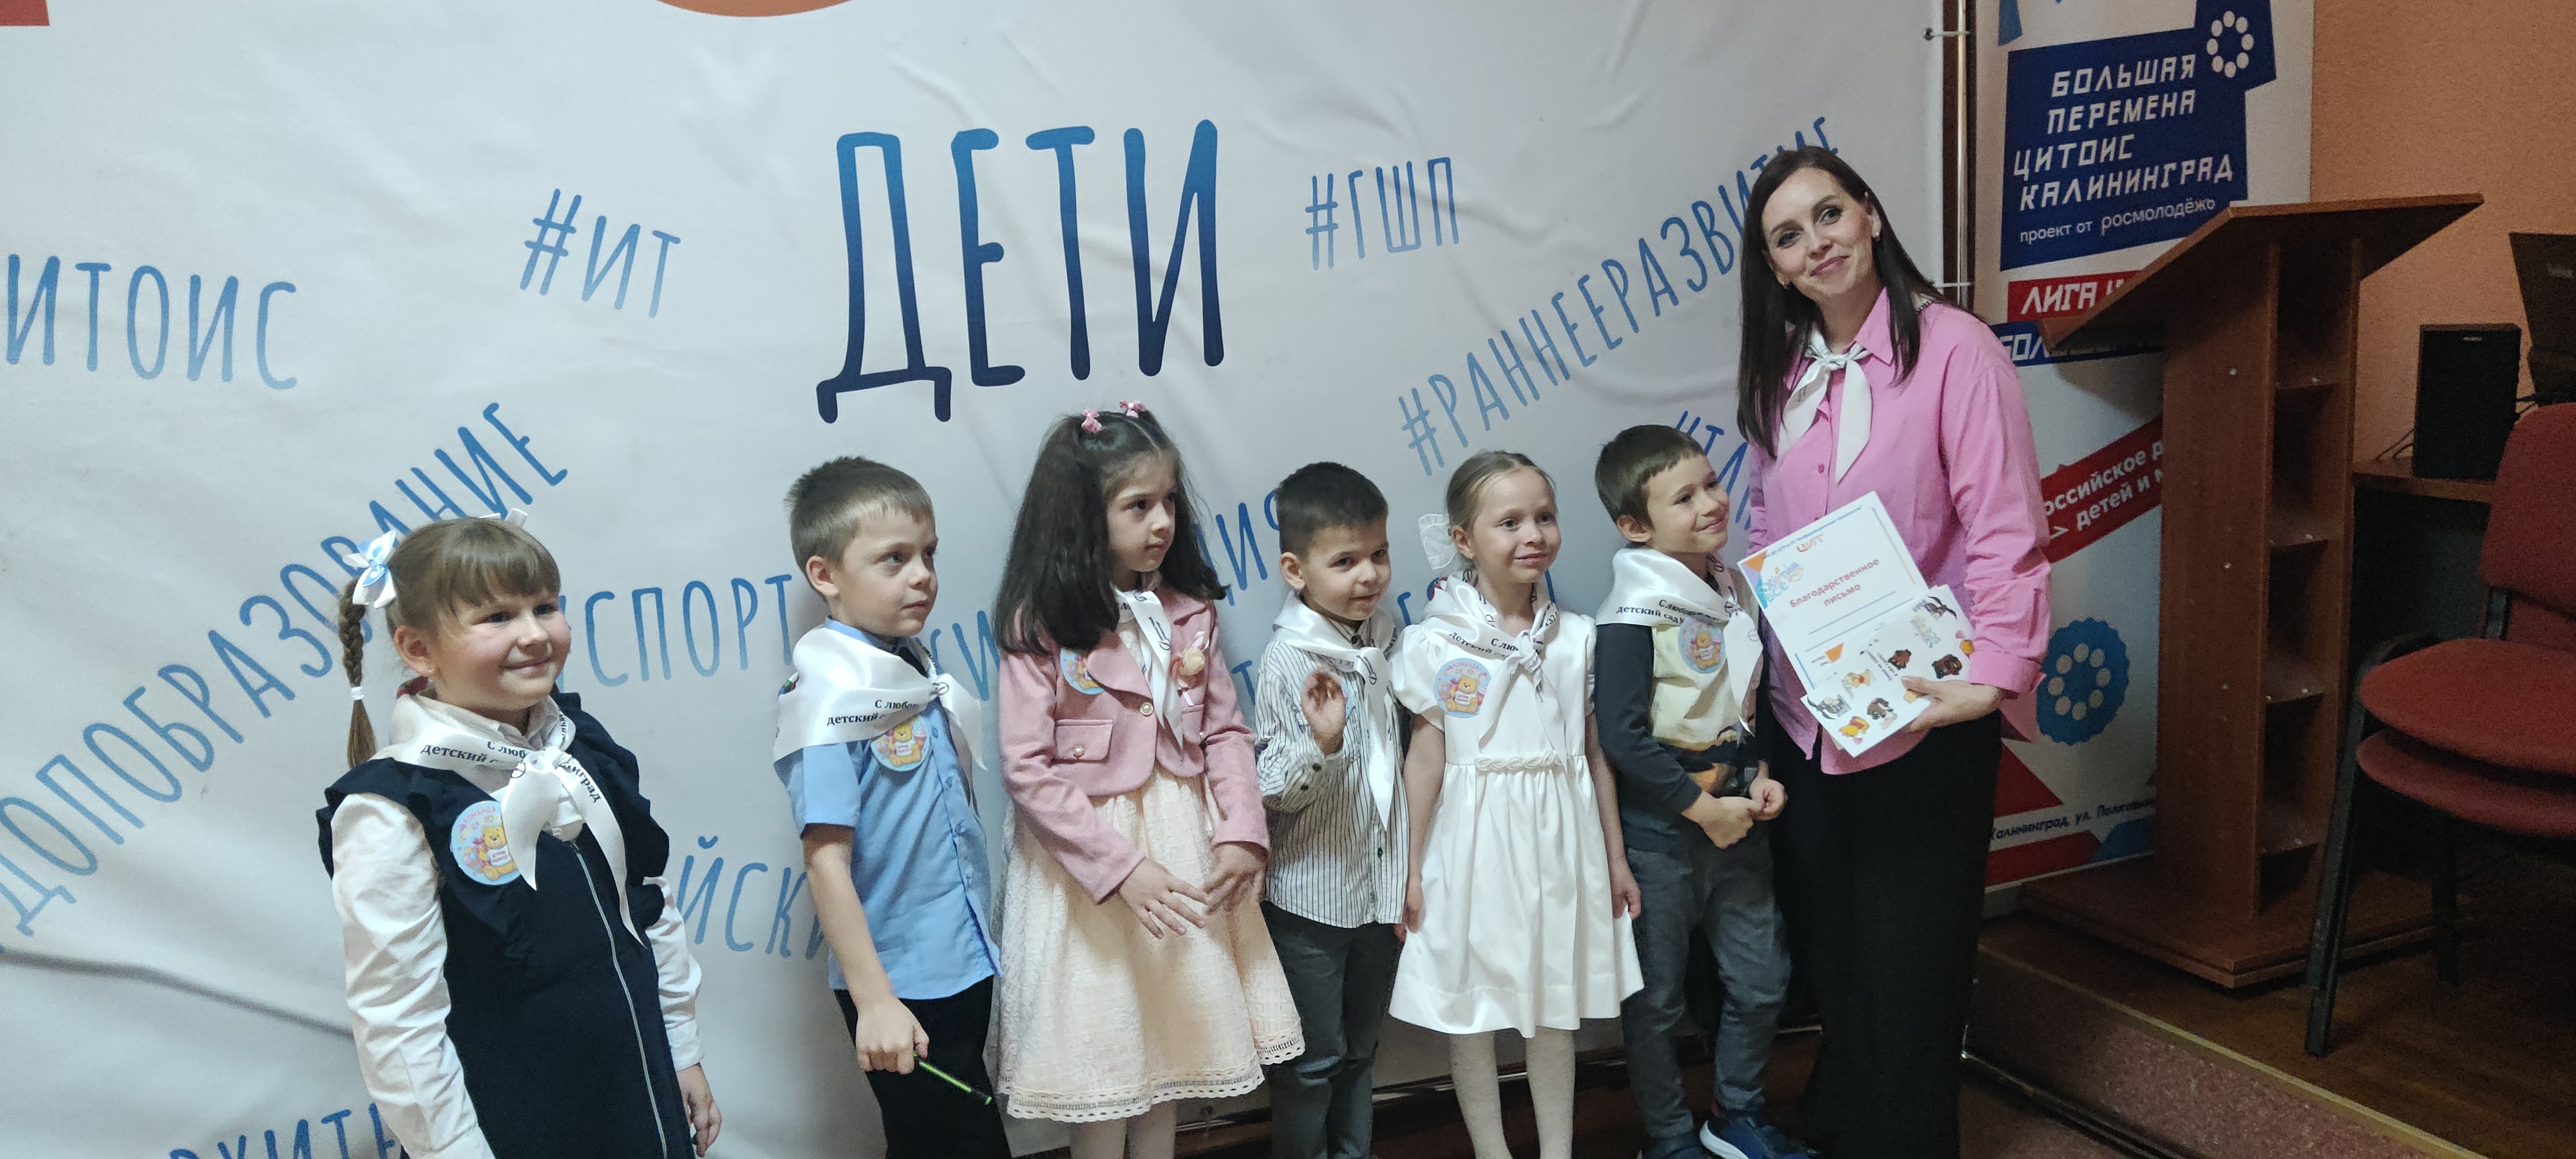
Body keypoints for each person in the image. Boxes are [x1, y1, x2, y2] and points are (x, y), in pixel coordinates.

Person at [1734, 146, 2050, 1159]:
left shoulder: (1957, 349)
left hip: (1925, 714)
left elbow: (2004, 526)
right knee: (1837, 963)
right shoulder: (1779, 374)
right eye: (1789, 235)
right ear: (1775, 267)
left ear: (1870, 214)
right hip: (1807, 722)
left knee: (1912, 973)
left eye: (1829, 214)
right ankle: (1841, 1133)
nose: (1817, 243)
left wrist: (1994, 673)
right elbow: (1762, 527)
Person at [315, 513, 721, 1159]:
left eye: (545, 607)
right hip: (517, 1125)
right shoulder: (394, 806)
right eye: (497, 617)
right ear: (418, 650)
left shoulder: (579, 747)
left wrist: (681, 1050)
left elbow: (646, 904)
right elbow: (398, 1019)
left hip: (637, 1091)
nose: (534, 634)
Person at [990, 402, 1303, 1159]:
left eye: (1168, 502)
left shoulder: (1189, 613)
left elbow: (1225, 729)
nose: (1161, 522)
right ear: (1081, 517)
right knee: (1104, 1051)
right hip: (1089, 870)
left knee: (1172, 1050)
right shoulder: (1041, 625)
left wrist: (1242, 832)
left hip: (1182, 845)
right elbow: (1027, 769)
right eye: (1137, 506)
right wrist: (1120, 868)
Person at [1390, 449, 1644, 1159]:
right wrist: (1411, 868)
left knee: (1554, 1005)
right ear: (1464, 540)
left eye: (1544, 517)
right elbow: (1427, 759)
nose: (1533, 534)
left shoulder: (1578, 637)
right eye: (1509, 522)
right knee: (1473, 1009)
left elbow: (1593, 755)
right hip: (1473, 843)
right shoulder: (1435, 643)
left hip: (1561, 841)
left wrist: (1616, 859)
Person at [770, 457, 1011, 1158]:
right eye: (894, 559)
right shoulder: (827, 700)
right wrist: (876, 1001)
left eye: (928, 554)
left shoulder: (908, 663)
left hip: (959, 956)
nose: (922, 575)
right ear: (825, 575)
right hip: (901, 978)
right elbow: (825, 861)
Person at [1589, 426, 1804, 1159]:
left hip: (1737, 822)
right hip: (1663, 835)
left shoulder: (1734, 587)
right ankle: (1669, 1138)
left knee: (1763, 979)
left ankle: (1735, 1113)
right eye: (1683, 498)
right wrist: (1701, 809)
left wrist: (1763, 773)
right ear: (1635, 526)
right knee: (1656, 1001)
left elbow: (1753, 698)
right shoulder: (1631, 612)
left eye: (1711, 484)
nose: (1711, 503)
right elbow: (1623, 738)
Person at [1253, 462, 1406, 1159]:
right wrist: (1323, 744)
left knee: (1361, 1055)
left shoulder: (1388, 637)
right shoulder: (1288, 659)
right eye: (1344, 561)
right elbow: (1273, 792)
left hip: (1378, 894)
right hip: (1311, 902)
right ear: (1296, 570)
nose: (1368, 575)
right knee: (1312, 1065)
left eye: (1378, 554)